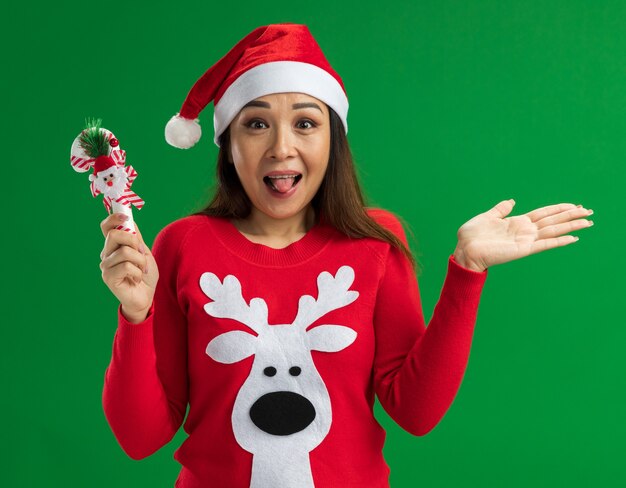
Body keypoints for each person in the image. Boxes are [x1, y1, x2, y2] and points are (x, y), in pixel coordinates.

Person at [99, 24, 593, 488]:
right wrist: (136, 314)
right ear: (228, 143)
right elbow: (141, 439)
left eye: (306, 123)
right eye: (256, 124)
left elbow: (415, 413)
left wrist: (467, 270)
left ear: (333, 141)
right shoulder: (183, 245)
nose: (281, 148)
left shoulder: (376, 243)